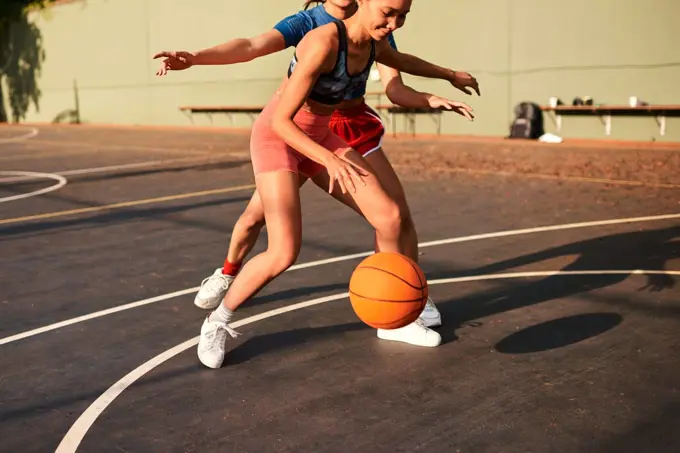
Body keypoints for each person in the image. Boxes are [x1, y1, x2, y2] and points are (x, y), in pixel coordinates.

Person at [155, 0, 477, 368]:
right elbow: (280, 120)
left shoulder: (374, 41)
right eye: (389, 12)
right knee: (283, 251)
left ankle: (393, 320)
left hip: (322, 136)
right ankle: (217, 321)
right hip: (280, 138)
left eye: (402, 16)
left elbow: (405, 63)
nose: (395, 23)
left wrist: (448, 78)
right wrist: (328, 159)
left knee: (390, 217)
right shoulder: (321, 38)